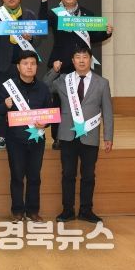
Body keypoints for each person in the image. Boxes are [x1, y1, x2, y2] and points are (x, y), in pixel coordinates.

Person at [40, 0, 113, 149]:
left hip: (81, 65)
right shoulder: (55, 13)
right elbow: (41, 23)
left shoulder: (87, 14)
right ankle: (58, 137)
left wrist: (107, 33)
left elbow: (94, 36)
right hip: (61, 65)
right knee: (59, 102)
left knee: (82, 101)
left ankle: (82, 133)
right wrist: (44, 0)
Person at [45, 47, 114, 224]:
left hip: (90, 135)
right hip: (67, 135)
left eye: (85, 57)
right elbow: (45, 86)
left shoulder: (102, 83)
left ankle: (86, 210)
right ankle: (67, 210)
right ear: (73, 61)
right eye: (78, 57)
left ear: (90, 60)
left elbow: (107, 111)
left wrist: (108, 136)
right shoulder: (63, 80)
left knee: (88, 175)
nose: (82, 60)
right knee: (68, 174)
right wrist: (55, 70)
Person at [0, 50, 52, 223]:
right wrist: (5, 105)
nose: (29, 67)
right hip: (15, 139)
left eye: (33, 64)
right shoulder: (8, 87)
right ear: (18, 67)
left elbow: (49, 114)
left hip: (37, 139)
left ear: (37, 67)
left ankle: (33, 211)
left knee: (34, 177)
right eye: (25, 63)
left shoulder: (43, 88)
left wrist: (45, 123)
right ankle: (17, 211)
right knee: (17, 176)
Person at [0, 0, 38, 150]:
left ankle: (25, 131)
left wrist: (31, 37)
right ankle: (1, 135)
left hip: (24, 65)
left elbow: (37, 37)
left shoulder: (29, 14)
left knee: (25, 98)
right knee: (2, 101)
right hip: (3, 65)